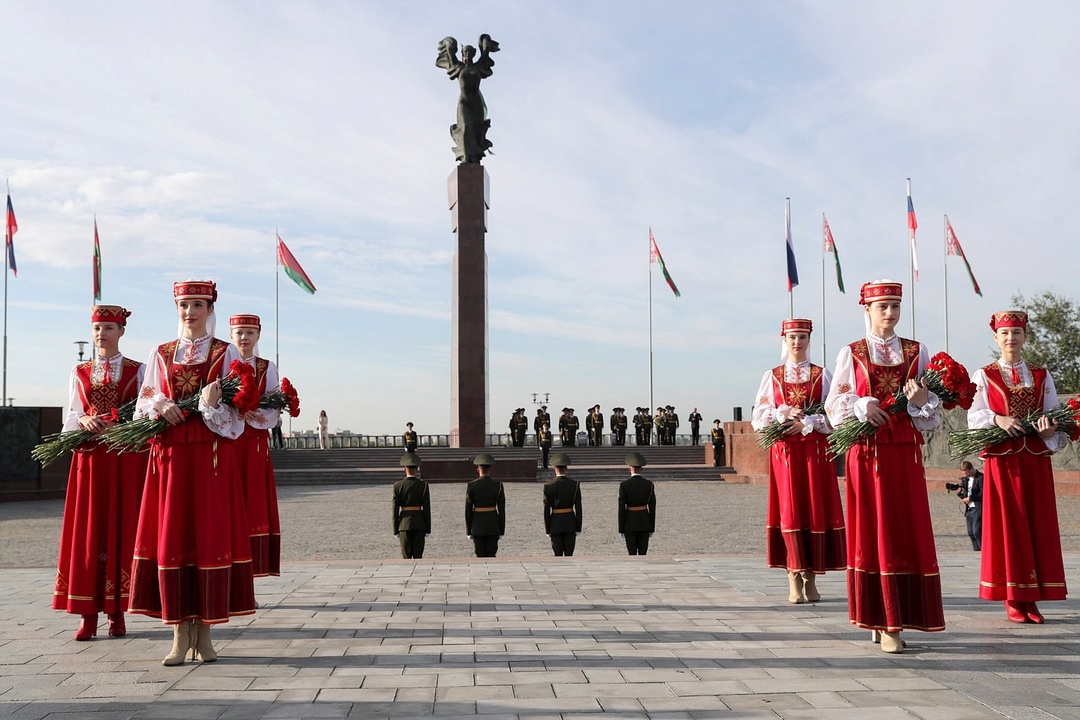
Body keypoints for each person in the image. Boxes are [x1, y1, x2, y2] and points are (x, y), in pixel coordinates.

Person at [128, 280, 255, 666]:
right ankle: (179, 634)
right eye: (184, 304)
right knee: (173, 537)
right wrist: (161, 405)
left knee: (209, 536)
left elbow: (237, 416)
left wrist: (213, 404)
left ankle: (206, 632)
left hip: (210, 457)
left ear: (209, 308)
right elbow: (144, 399)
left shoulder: (226, 351)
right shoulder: (161, 352)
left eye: (197, 304)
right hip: (169, 459)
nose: (190, 311)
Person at [824, 280, 944, 654]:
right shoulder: (852, 352)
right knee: (871, 530)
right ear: (868, 310)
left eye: (894, 305)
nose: (889, 313)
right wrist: (862, 406)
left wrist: (922, 400)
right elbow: (835, 404)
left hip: (904, 453)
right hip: (867, 453)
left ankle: (896, 617)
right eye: (882, 307)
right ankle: (881, 620)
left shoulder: (916, 350)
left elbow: (931, 415)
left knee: (903, 529)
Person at [53, 305, 148, 641]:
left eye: (108, 327)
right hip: (90, 461)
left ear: (121, 331)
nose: (101, 334)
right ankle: (87, 614)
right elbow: (73, 413)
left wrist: (120, 425)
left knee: (120, 527)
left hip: (123, 458)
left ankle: (117, 612)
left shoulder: (139, 370)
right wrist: (84, 421)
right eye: (97, 328)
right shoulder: (79, 371)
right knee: (89, 531)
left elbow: (144, 414)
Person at [968, 310, 1067, 623]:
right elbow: (974, 416)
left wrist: (1051, 429)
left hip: (1035, 460)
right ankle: (1013, 596)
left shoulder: (1040, 375)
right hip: (1003, 461)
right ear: (996, 338)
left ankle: (1032, 597)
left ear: (1025, 336)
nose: (1011, 338)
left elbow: (1055, 415)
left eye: (1017, 332)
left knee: (1036, 525)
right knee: (1009, 527)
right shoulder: (984, 375)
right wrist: (998, 418)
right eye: (1005, 333)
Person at [751, 318, 845, 605]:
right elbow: (759, 418)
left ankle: (811, 577)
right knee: (790, 510)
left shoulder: (823, 375)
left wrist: (808, 421)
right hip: (786, 456)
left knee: (814, 509)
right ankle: (793, 574)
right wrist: (781, 416)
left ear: (809, 339)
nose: (797, 342)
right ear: (784, 339)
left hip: (815, 453)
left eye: (802, 336)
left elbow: (836, 415)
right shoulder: (773, 376)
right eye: (792, 336)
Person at [228, 314, 282, 582]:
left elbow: (274, 405)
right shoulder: (221, 365)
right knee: (225, 505)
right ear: (231, 336)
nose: (244, 338)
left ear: (258, 336)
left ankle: (247, 579)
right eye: (239, 333)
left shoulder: (266, 367)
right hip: (225, 441)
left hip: (253, 443)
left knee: (251, 506)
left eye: (249, 333)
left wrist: (256, 414)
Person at [465, 453, 505, 557]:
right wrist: (502, 530)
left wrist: (469, 530)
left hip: (477, 524)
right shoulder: (498, 486)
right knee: (492, 554)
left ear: (478, 470)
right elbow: (502, 510)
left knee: (479, 554)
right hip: (493, 524)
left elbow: (468, 510)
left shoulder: (471, 486)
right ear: (490, 469)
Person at [393, 452, 431, 559]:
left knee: (406, 556)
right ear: (417, 469)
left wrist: (395, 529)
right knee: (418, 556)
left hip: (404, 524)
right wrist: (428, 528)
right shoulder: (423, 485)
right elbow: (427, 508)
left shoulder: (398, 486)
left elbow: (395, 510)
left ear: (404, 469)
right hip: (419, 523)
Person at [543, 452, 582, 556]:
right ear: (566, 469)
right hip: (570, 522)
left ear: (554, 468)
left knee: (557, 555)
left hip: (555, 523)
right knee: (569, 554)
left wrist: (547, 528)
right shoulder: (574, 485)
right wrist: (578, 527)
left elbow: (546, 510)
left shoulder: (548, 486)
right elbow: (578, 508)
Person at [618, 452, 656, 556]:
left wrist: (621, 528)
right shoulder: (649, 484)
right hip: (644, 521)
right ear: (641, 469)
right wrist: (652, 526)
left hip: (629, 522)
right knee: (643, 552)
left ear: (629, 469)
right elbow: (652, 507)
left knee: (632, 552)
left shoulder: (624, 485)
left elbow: (621, 508)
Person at [958, 460, 984, 551]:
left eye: (967, 473)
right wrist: (963, 497)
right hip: (969, 509)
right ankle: (976, 551)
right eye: (964, 473)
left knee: (977, 531)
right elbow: (965, 491)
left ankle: (983, 550)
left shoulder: (981, 478)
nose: (966, 475)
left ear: (972, 469)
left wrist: (970, 498)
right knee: (970, 533)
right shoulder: (966, 479)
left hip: (978, 507)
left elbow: (983, 493)